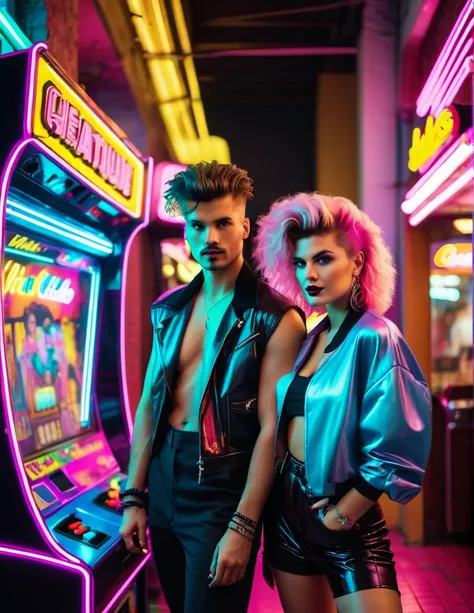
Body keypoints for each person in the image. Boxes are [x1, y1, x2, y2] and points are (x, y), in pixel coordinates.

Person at [119, 161, 306, 613]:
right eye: (197, 225)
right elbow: (149, 403)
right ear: (185, 230)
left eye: (223, 224)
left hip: (222, 490)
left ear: (244, 226)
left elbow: (272, 431)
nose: (211, 238)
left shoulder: (276, 318)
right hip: (164, 479)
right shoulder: (169, 309)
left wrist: (244, 525)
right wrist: (134, 495)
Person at [254, 193, 432, 613]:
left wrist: (345, 512)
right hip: (286, 515)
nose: (309, 274)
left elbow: (399, 440)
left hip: (343, 516)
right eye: (300, 263)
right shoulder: (310, 337)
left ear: (357, 262)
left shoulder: (376, 336)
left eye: (323, 259)